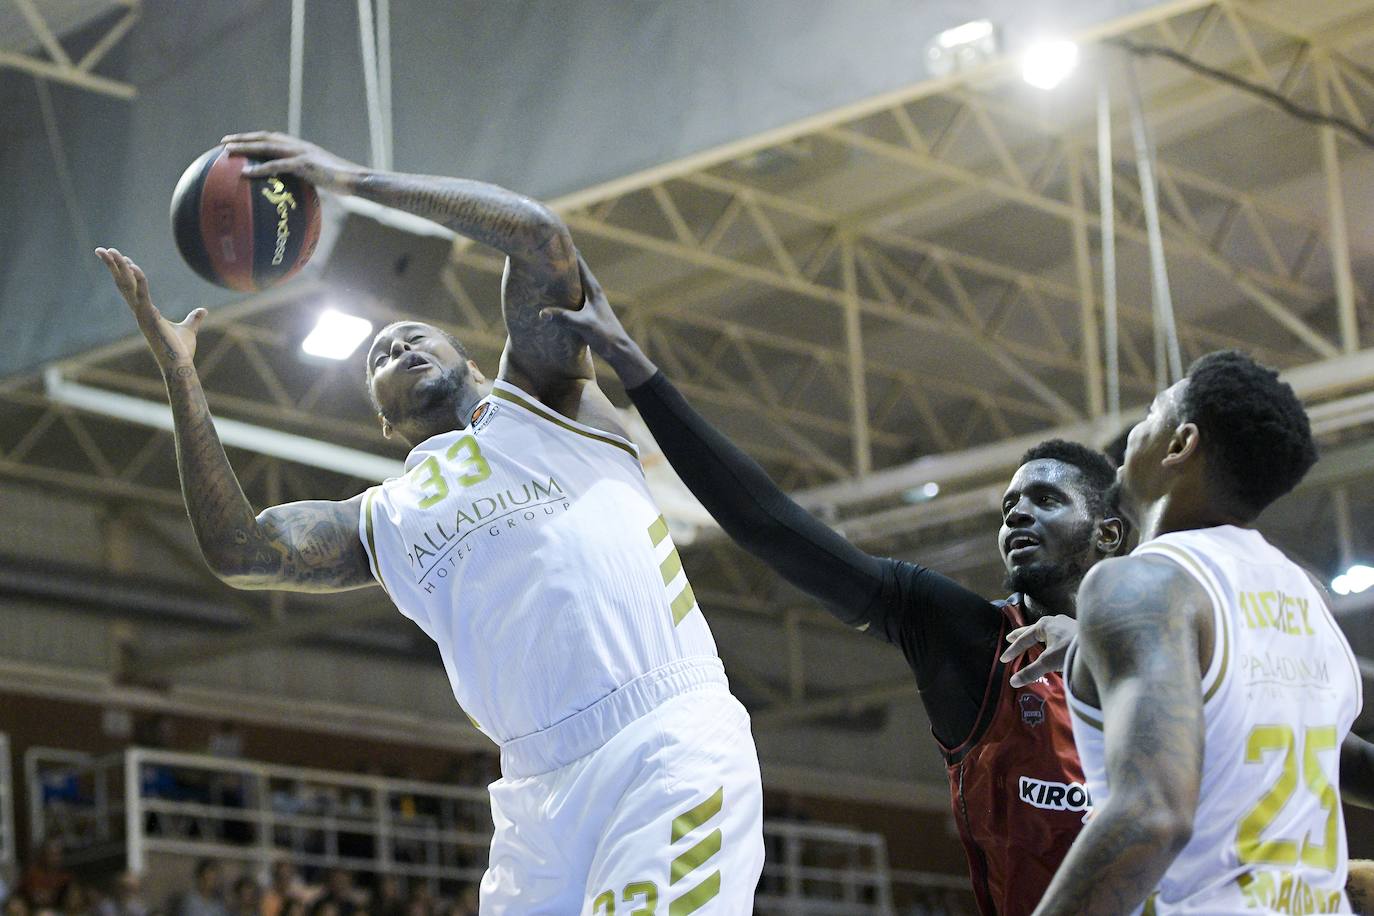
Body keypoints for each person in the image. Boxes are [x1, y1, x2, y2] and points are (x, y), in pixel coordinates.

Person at [96, 129, 762, 914]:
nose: (396, 342)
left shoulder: (547, 400)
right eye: (377, 357)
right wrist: (181, 376)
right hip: (535, 795)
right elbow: (241, 548)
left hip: (662, 738)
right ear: (384, 426)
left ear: (474, 360)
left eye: (412, 333)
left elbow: (539, 235)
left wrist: (349, 182)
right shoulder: (387, 516)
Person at [546, 258, 1125, 914]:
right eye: (1009, 505)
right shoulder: (966, 638)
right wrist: (630, 362)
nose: (1017, 513)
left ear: (1109, 532)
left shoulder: (1174, 647)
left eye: (1046, 499)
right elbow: (770, 526)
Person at [1035, 350, 1363, 914]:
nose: (1134, 430)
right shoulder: (1306, 594)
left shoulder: (1138, 583)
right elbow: (1331, 752)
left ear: (1180, 444)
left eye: (1150, 412)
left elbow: (1153, 815)